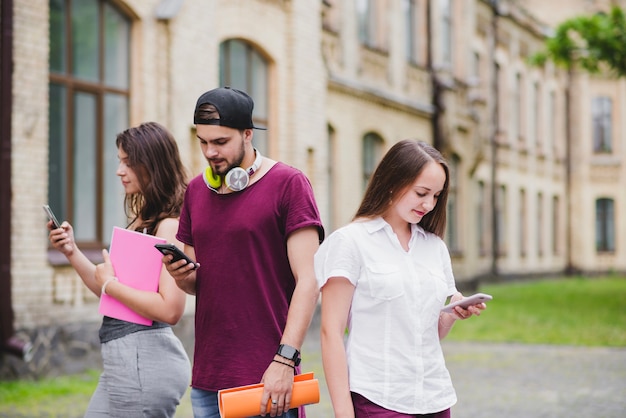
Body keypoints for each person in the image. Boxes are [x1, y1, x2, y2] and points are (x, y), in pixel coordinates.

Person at [163, 86, 323, 418]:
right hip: (207, 377)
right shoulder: (195, 191)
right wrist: (182, 277)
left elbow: (309, 281)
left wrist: (284, 360)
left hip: (267, 378)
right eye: (203, 142)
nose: (210, 152)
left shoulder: (289, 184)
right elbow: (198, 282)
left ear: (248, 134)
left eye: (220, 142)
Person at [315, 140, 487, 418]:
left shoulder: (434, 247)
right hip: (378, 399)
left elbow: (429, 332)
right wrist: (343, 413)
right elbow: (330, 333)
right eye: (422, 193)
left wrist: (453, 313)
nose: (429, 204)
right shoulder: (350, 242)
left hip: (434, 397)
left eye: (437, 196)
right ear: (393, 182)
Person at [47, 121, 192, 418]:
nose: (119, 171)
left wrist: (111, 284)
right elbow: (109, 290)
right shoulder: (145, 219)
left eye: (128, 163)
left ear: (152, 165)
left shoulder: (170, 225)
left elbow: (171, 309)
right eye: (120, 162)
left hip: (144, 362)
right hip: (125, 362)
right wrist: (71, 251)